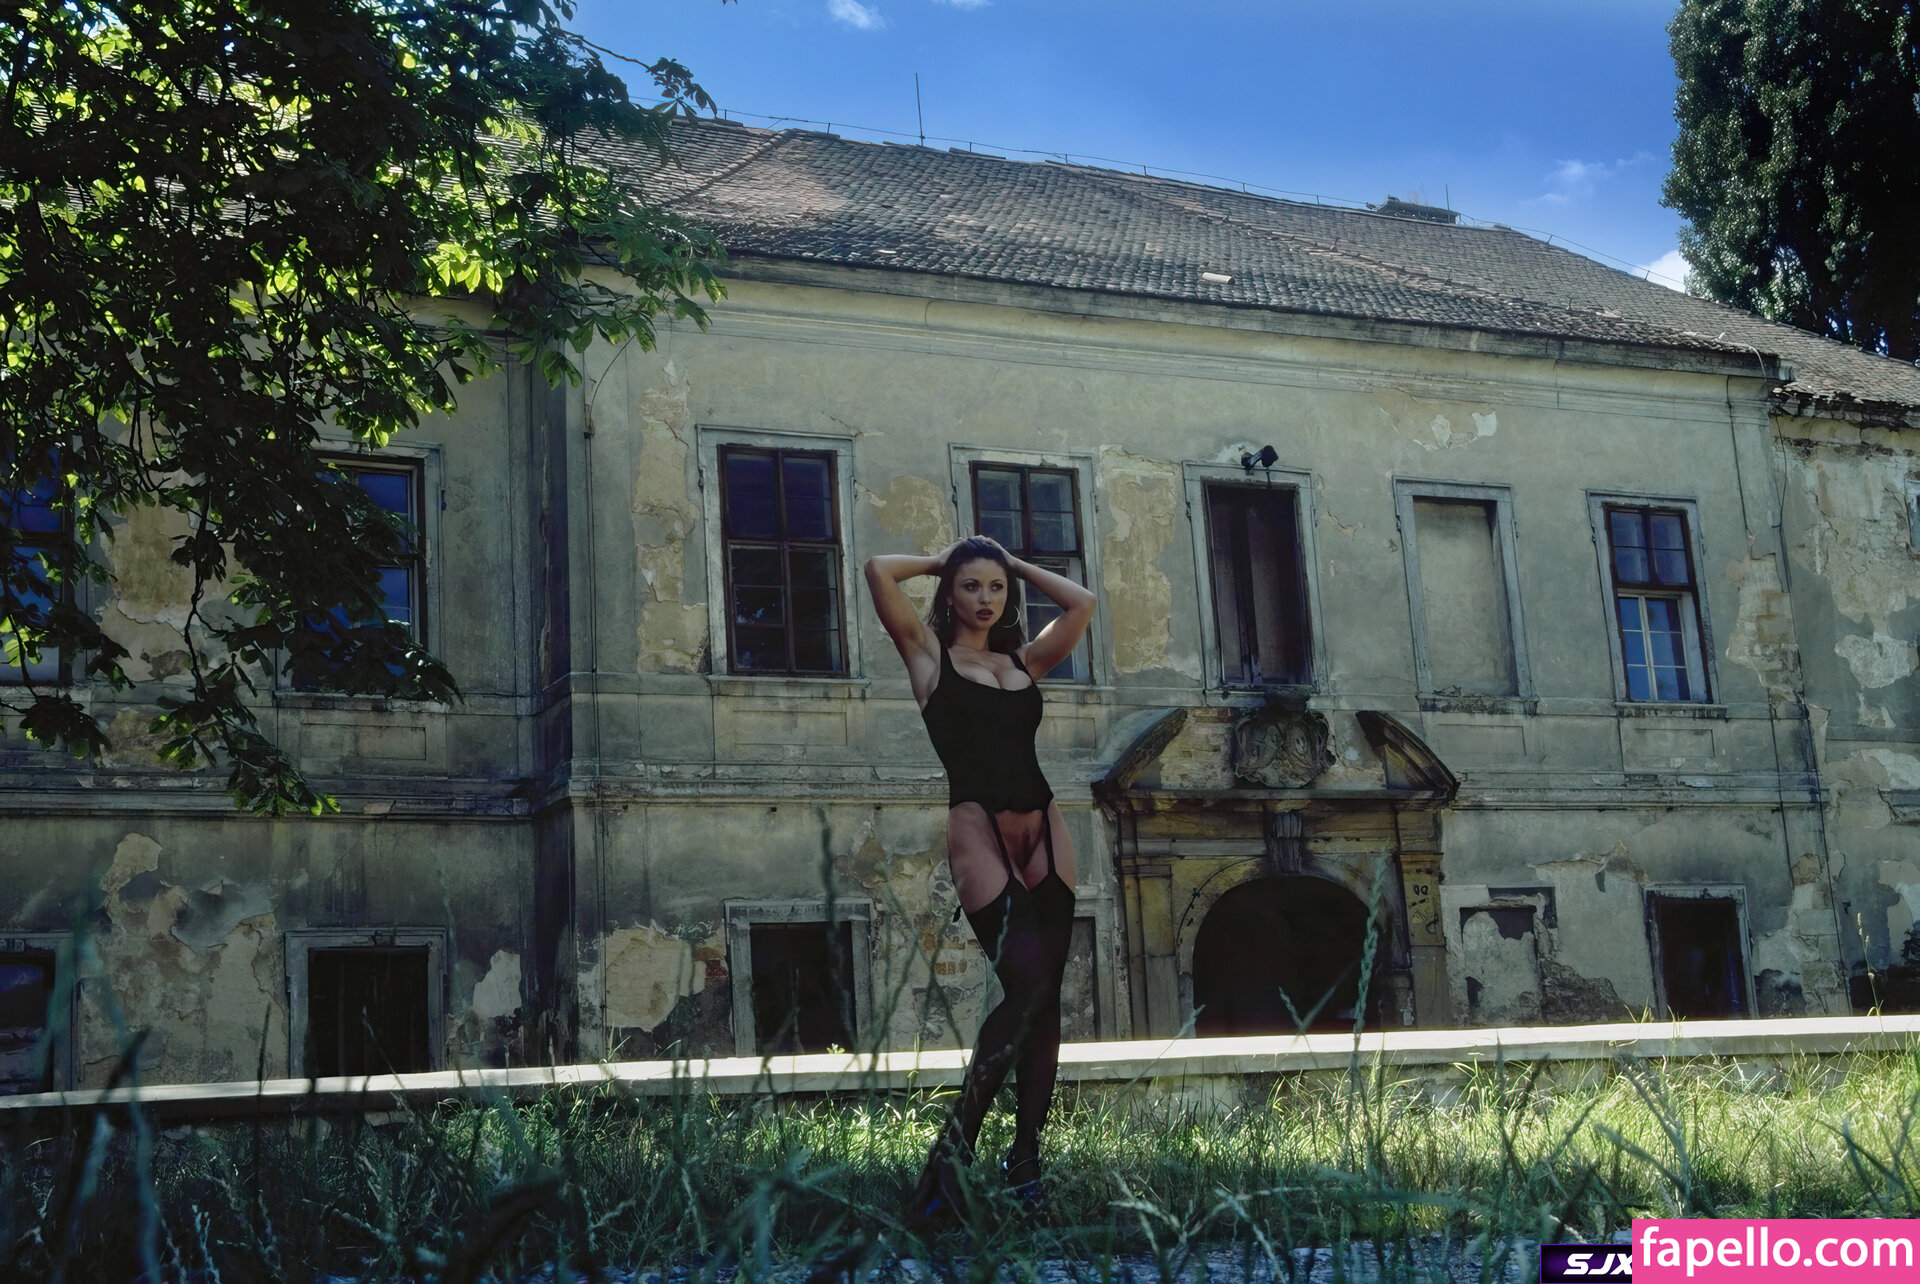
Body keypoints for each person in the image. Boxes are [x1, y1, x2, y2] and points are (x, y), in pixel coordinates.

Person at [863, 535, 1098, 1225]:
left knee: (1045, 997)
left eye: (995, 587)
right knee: (1025, 986)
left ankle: (1025, 1161)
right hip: (977, 824)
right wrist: (949, 559)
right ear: (949, 594)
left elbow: (1082, 604)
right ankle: (950, 1157)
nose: (986, 598)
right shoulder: (928, 656)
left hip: (1044, 824)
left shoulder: (1023, 660)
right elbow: (878, 570)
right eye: (971, 587)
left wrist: (1009, 560)